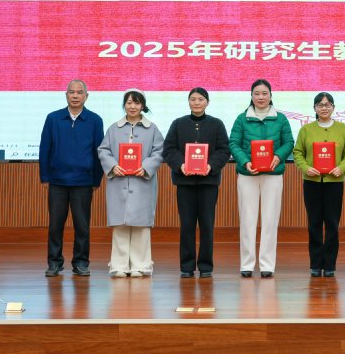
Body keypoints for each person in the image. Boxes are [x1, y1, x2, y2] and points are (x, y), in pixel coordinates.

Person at [162, 87, 231, 278]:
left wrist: (210, 165)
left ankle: (206, 266)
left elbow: (224, 150)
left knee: (207, 225)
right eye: (193, 99)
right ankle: (187, 266)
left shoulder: (216, 124)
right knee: (187, 225)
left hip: (208, 182)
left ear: (207, 102)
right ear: (188, 102)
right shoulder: (178, 124)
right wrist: (181, 165)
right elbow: (169, 149)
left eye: (200, 99)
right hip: (185, 183)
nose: (196, 102)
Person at [229, 79, 294, 278]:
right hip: (248, 174)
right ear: (251, 96)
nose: (261, 97)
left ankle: (267, 265)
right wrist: (245, 161)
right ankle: (247, 264)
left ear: (271, 96)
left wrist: (278, 156)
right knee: (247, 219)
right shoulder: (242, 119)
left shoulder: (281, 119)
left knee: (270, 219)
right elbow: (234, 143)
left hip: (273, 174)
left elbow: (289, 142)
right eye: (256, 93)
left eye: (264, 93)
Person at [39, 79, 104, 277]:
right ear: (66, 95)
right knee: (55, 225)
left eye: (79, 92)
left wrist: (96, 179)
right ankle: (54, 262)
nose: (75, 96)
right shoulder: (53, 118)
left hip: (83, 182)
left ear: (86, 96)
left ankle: (81, 262)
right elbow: (45, 149)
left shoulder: (95, 120)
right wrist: (45, 177)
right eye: (71, 92)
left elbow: (99, 152)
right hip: (57, 181)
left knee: (82, 225)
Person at [97, 89, 164, 278]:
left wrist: (146, 167)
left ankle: (141, 265)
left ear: (143, 106)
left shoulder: (152, 129)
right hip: (119, 182)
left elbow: (159, 151)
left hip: (142, 182)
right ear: (124, 105)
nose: (132, 106)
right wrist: (113, 166)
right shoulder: (114, 128)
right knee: (120, 224)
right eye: (129, 103)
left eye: (136, 103)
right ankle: (119, 265)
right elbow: (103, 150)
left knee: (141, 226)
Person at [292, 92, 345, 278]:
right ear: (314, 108)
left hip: (334, 182)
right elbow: (297, 152)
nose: (324, 108)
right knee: (314, 223)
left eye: (328, 105)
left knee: (332, 224)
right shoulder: (306, 130)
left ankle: (329, 264)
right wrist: (306, 168)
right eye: (320, 105)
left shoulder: (343, 129)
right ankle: (315, 263)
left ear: (333, 107)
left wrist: (341, 168)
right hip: (311, 182)